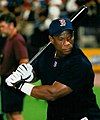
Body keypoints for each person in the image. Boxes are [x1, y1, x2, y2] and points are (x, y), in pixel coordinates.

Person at [5, 18, 100, 120]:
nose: (67, 42)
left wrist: (20, 85)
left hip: (82, 116)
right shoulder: (47, 52)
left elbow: (52, 93)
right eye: (61, 38)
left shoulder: (79, 63)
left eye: (70, 37)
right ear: (51, 39)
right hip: (57, 115)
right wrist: (29, 76)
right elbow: (37, 72)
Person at [0, 12, 29, 120]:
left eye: (2, 26)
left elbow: (24, 60)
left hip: (13, 84)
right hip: (7, 82)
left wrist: (16, 79)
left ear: (11, 25)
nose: (1, 29)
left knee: (15, 114)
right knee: (8, 113)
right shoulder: (9, 39)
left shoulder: (17, 39)